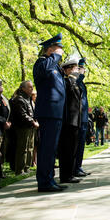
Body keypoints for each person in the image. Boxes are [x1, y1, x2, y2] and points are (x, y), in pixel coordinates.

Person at [33, 33, 68, 192]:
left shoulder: (53, 65)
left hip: (56, 112)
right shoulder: (42, 63)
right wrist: (54, 57)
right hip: (48, 112)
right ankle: (44, 182)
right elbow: (45, 70)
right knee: (47, 147)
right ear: (50, 49)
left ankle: (49, 179)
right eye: (58, 48)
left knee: (52, 148)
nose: (61, 51)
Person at [58, 57, 83, 184]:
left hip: (75, 120)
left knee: (73, 148)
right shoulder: (67, 82)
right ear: (68, 69)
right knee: (67, 149)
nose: (77, 70)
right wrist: (74, 79)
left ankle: (70, 173)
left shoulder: (73, 82)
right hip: (68, 120)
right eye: (75, 68)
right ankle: (66, 175)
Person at [11, 80, 38, 176]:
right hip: (22, 127)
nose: (32, 89)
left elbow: (32, 112)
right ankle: (20, 170)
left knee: (30, 147)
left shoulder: (28, 98)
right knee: (23, 148)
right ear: (23, 88)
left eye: (32, 87)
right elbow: (22, 115)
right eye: (29, 87)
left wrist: (35, 121)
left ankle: (27, 167)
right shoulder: (19, 99)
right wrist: (32, 122)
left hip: (30, 126)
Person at [74, 58, 91, 178]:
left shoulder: (81, 82)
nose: (83, 71)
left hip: (83, 117)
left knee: (81, 145)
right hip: (77, 118)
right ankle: (74, 168)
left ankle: (78, 166)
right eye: (80, 69)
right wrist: (79, 74)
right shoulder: (74, 81)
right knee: (76, 145)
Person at [0, 77, 11, 179]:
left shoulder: (2, 98)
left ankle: (0, 172)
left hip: (2, 129)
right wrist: (3, 121)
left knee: (1, 152)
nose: (1, 86)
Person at [31, 90, 39, 167]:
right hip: (33, 125)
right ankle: (33, 161)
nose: (35, 96)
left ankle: (35, 161)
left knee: (36, 145)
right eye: (34, 95)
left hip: (37, 126)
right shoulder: (31, 103)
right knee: (33, 145)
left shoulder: (36, 104)